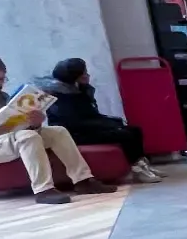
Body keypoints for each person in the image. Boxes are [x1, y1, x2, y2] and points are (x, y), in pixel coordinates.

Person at [0, 52, 117, 204]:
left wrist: (35, 122)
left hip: (1, 139)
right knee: (28, 137)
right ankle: (44, 190)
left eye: (1, 80)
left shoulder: (2, 96)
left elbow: (14, 125)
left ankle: (83, 181)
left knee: (57, 131)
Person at [33, 58, 163, 183]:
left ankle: (143, 163)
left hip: (87, 126)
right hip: (75, 133)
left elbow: (90, 113)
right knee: (124, 135)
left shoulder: (78, 89)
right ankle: (137, 170)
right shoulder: (60, 96)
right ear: (75, 76)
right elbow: (75, 122)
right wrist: (108, 125)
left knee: (135, 130)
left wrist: (111, 121)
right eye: (83, 73)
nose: (87, 75)